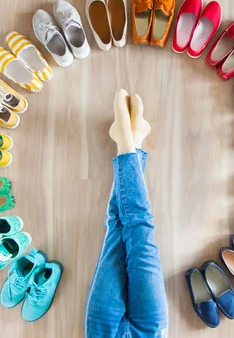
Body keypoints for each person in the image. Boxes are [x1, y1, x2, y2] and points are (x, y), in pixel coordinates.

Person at [84, 89, 168, 338]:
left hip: (103, 334)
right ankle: (128, 142)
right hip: (149, 333)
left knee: (117, 228)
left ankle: (130, 142)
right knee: (140, 232)